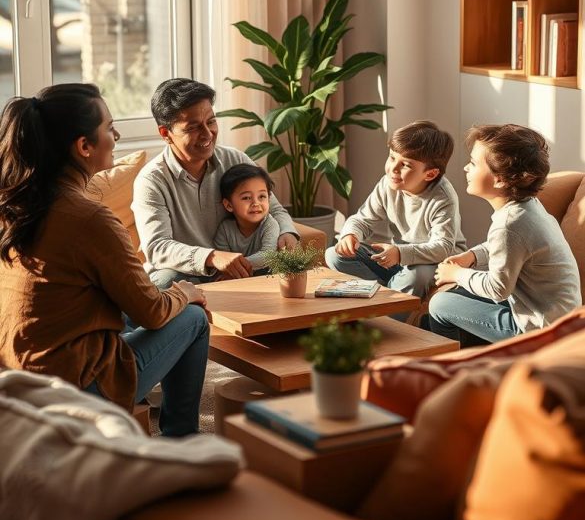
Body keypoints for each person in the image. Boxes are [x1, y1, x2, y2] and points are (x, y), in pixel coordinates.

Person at [0, 84, 209, 437]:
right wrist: (186, 293)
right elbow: (152, 312)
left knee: (155, 291)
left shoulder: (16, 203)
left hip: (19, 377)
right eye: (109, 128)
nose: (117, 134)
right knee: (193, 317)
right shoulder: (88, 218)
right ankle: (181, 443)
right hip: (73, 388)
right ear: (84, 146)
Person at [132, 78, 298, 288]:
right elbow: (157, 248)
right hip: (186, 275)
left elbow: (274, 209)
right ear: (166, 134)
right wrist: (211, 257)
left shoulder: (235, 160)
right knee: (166, 281)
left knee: (287, 266)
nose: (208, 134)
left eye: (211, 122)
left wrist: (287, 232)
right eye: (193, 127)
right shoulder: (151, 181)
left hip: (242, 269)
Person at [426, 123, 582, 345]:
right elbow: (508, 247)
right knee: (456, 295)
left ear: (500, 180)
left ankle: (454, 367)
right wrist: (472, 256)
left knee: (440, 305)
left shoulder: (509, 225)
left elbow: (497, 288)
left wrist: (457, 274)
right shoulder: (527, 208)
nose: (465, 168)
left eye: (472, 163)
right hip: (553, 315)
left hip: (541, 329)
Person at [325, 120, 465, 303]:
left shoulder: (443, 198)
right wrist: (350, 234)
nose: (393, 169)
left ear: (430, 174)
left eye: (405, 165)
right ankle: (386, 295)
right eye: (392, 158)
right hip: (396, 260)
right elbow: (363, 219)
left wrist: (400, 253)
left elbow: (443, 247)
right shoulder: (388, 183)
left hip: (434, 262)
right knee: (334, 254)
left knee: (418, 275)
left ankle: (388, 310)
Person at [215, 163, 280, 270]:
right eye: (246, 198)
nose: (256, 203)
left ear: (269, 199)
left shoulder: (270, 225)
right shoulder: (225, 229)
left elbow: (268, 256)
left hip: (266, 281)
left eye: (262, 196)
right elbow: (223, 260)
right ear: (229, 205)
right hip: (235, 281)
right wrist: (228, 269)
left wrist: (234, 266)